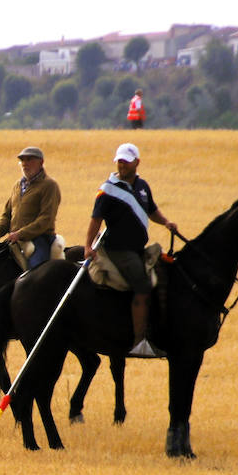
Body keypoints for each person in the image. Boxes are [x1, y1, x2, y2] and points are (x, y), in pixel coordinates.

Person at [84, 142, 177, 358]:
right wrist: (88, 246)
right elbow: (95, 219)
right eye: (119, 161)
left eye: (126, 161)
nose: (122, 165)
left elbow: (151, 210)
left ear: (137, 162)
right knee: (142, 284)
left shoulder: (142, 186)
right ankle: (139, 342)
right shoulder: (108, 189)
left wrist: (166, 222)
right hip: (118, 250)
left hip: (138, 248)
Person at [0, 146, 61, 270]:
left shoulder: (49, 185)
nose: (25, 164)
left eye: (30, 160)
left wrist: (21, 233)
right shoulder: (17, 185)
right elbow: (7, 215)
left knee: (36, 273)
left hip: (39, 239)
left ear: (41, 162)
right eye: (22, 160)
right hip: (14, 240)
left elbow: (46, 218)